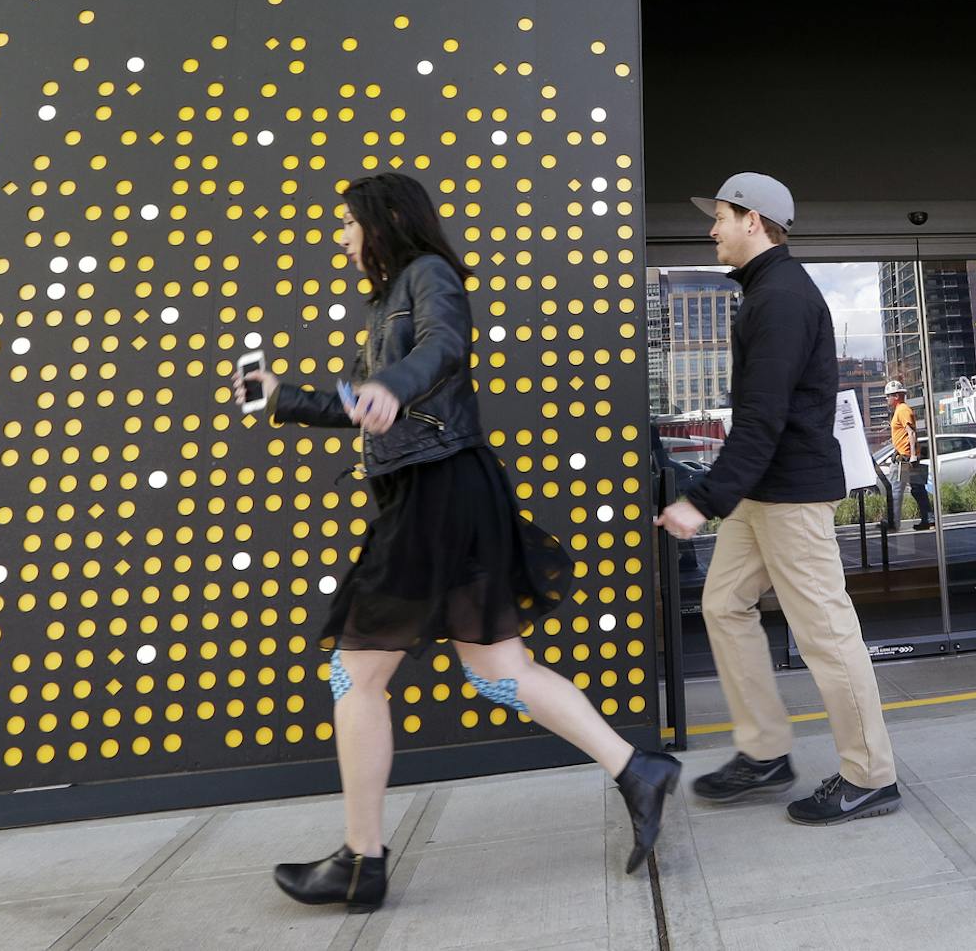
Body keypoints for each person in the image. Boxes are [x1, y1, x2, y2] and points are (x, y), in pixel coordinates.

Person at [232, 172, 679, 909]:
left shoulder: (427, 276)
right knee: (497, 670)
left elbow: (445, 346)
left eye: (348, 224)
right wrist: (283, 398)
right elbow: (361, 405)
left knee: (356, 675)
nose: (341, 239)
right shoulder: (383, 305)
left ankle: (360, 859)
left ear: (382, 222)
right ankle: (638, 769)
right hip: (443, 488)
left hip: (437, 489)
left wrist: (395, 385)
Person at [655, 172, 901, 824]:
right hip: (765, 491)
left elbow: (762, 417)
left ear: (754, 222)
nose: (711, 228)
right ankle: (765, 752)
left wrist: (701, 500)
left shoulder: (783, 298)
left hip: (788, 493)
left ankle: (871, 776)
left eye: (721, 217)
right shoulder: (765, 293)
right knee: (723, 603)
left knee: (825, 633)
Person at [883, 381, 934, 532]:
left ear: (896, 396)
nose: (887, 399)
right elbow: (904, 435)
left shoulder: (903, 410)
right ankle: (929, 520)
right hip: (905, 455)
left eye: (888, 396)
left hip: (905, 459)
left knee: (895, 491)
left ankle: (893, 524)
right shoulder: (900, 410)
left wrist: (912, 455)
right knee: (918, 490)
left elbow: (911, 433)